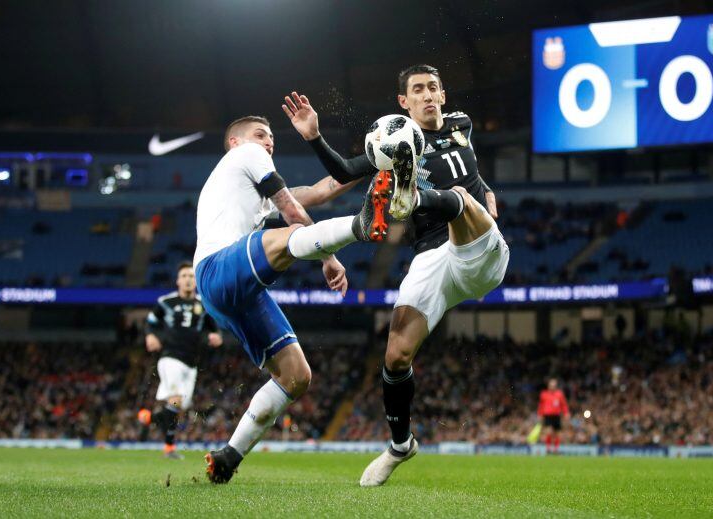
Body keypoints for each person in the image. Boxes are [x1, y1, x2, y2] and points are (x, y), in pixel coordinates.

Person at [283, 64, 510, 486]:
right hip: (431, 258)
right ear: (403, 102)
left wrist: (487, 191)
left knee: (461, 198)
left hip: (479, 250)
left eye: (433, 88)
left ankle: (415, 195)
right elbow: (344, 173)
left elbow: (469, 173)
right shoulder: (392, 142)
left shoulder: (462, 124)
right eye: (417, 90)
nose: (427, 95)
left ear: (443, 95)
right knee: (396, 356)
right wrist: (313, 136)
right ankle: (400, 444)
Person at [199, 115, 389, 483]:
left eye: (271, 137)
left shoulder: (246, 189)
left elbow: (320, 191)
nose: (268, 142)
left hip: (234, 292)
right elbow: (291, 210)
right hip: (217, 268)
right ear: (237, 143)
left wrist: (376, 159)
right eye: (260, 135)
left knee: (296, 377)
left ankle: (228, 457)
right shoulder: (247, 157)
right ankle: (358, 226)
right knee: (290, 232)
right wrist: (330, 257)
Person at [139, 261, 223, 459]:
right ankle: (152, 421)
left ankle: (167, 446)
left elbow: (215, 328)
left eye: (191, 276)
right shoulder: (165, 302)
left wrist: (216, 336)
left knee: (178, 408)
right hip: (170, 358)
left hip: (192, 363)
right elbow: (150, 323)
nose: (187, 279)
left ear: (196, 281)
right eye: (184, 276)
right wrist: (150, 335)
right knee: (175, 401)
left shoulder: (203, 305)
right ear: (178, 281)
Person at [538, 378, 570, 454]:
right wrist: (540, 414)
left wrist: (566, 413)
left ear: (556, 386)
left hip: (557, 416)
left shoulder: (559, 394)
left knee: (557, 434)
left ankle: (556, 450)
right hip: (548, 415)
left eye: (554, 385)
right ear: (548, 386)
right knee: (549, 432)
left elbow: (563, 405)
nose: (553, 387)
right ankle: (548, 449)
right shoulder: (544, 394)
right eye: (551, 385)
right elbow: (541, 405)